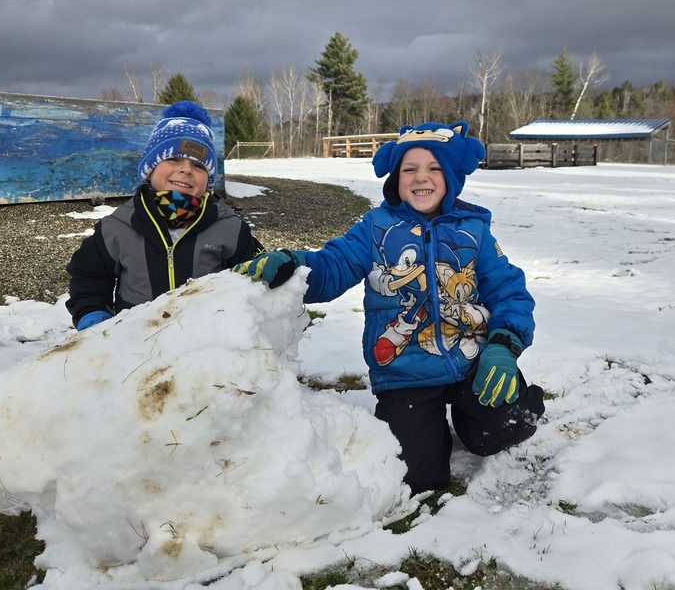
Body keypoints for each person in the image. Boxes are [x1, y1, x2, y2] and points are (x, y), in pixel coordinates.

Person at [237, 121, 545, 494]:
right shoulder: (375, 228)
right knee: (419, 478)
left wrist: (503, 346)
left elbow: (508, 290)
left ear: (450, 177)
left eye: (434, 168)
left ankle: (503, 409)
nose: (421, 178)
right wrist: (294, 265)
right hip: (405, 372)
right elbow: (334, 265)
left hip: (472, 362)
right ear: (396, 178)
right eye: (409, 169)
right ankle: (431, 432)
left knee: (497, 433)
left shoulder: (473, 231)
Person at [67, 101, 264, 330]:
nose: (186, 170)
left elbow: (255, 272)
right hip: (137, 338)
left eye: (199, 166)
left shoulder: (228, 227)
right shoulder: (118, 226)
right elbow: (89, 277)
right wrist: (92, 312)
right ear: (149, 169)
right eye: (173, 159)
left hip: (207, 341)